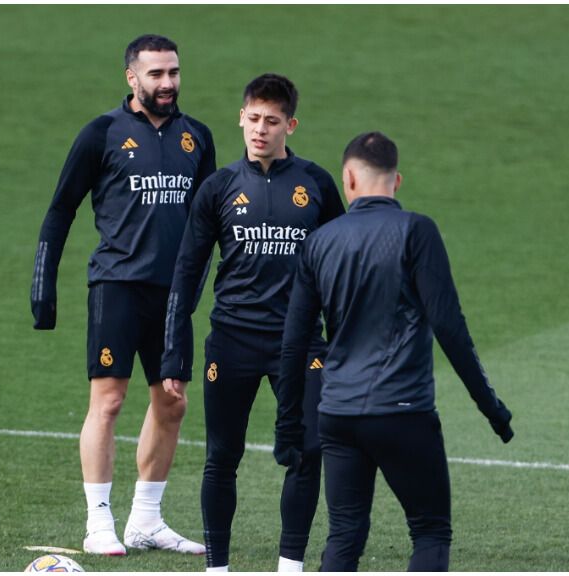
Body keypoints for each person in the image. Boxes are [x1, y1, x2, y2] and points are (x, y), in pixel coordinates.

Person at [275, 131, 514, 572]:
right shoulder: (416, 231)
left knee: (344, 536)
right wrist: (491, 407)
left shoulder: (319, 242)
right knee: (430, 532)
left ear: (348, 179)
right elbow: (449, 326)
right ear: (397, 180)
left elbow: (293, 344)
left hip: (338, 414)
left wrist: (288, 426)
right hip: (403, 412)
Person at [30, 34, 215, 556]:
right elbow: (60, 209)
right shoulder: (102, 133)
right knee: (108, 401)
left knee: (171, 403)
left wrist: (196, 286)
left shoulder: (196, 137)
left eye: (173, 72)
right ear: (131, 77)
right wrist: (44, 286)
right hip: (116, 286)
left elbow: (204, 225)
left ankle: (147, 521)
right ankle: (98, 522)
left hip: (172, 296)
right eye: (155, 74)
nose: (167, 83)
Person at [161, 73, 345, 572]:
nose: (260, 130)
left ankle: (291, 565)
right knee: (223, 456)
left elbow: (339, 268)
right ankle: (217, 567)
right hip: (233, 342)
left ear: (291, 125)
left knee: (307, 452)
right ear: (241, 117)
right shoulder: (218, 188)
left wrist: (344, 342)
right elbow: (186, 272)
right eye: (253, 119)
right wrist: (174, 351)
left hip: (301, 343)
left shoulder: (318, 185)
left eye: (272, 121)